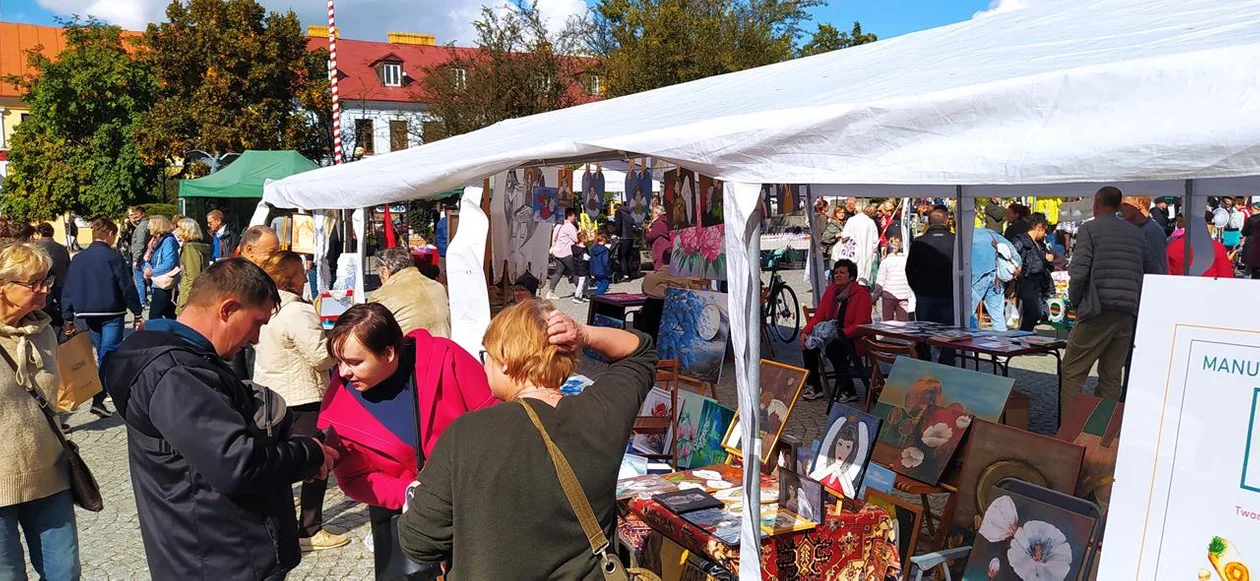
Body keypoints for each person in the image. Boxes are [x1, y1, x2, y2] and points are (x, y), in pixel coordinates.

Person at [102, 258, 337, 579]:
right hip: (221, 558)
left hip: (213, 550)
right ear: (227, 309)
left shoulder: (182, 361)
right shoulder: (176, 373)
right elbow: (237, 465)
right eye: (256, 323)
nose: (256, 339)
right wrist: (309, 454)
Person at [397, 302, 656, 578]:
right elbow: (641, 352)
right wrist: (583, 334)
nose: (484, 365)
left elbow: (418, 541)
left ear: (505, 358)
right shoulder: (602, 412)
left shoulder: (467, 433)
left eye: (486, 354)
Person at [317, 303, 496, 579]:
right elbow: (354, 479)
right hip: (408, 520)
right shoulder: (339, 410)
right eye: (338, 362)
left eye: (354, 362)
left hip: (476, 506)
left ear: (389, 353)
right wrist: (410, 493)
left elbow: (493, 418)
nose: (343, 373)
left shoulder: (444, 357)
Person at [254, 252, 348, 552]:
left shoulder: (267, 305)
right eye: (300, 273)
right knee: (316, 459)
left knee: (279, 463)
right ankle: (309, 528)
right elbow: (320, 356)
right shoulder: (297, 311)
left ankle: (279, 528)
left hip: (272, 394)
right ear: (289, 277)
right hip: (302, 395)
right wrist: (341, 344)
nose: (305, 278)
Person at [0, 242, 81, 581]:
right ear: (2, 286)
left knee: (65, 573)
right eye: (33, 283)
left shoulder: (44, 331)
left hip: (50, 473)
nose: (45, 289)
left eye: (46, 280)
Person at [1062, 186, 1160, 412]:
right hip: (1126, 311)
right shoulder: (1137, 233)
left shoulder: (1090, 229)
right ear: (1117, 206)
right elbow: (1152, 271)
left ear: (1096, 204)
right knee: (1111, 374)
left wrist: (1075, 301)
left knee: (1073, 371)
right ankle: (1101, 432)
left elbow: (1079, 272)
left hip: (1097, 307)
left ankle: (1071, 432)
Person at [62, 219, 144, 418]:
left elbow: (69, 288)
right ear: (110, 234)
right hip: (111, 311)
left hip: (86, 312)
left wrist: (68, 315)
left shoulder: (78, 259)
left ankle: (100, 391)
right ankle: (99, 396)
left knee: (102, 352)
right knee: (110, 352)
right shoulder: (113, 257)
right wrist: (138, 311)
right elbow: (126, 286)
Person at [799, 260, 873, 403]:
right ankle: (815, 386)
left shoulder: (861, 294)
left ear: (851, 277)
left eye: (842, 273)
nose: (838, 275)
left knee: (834, 349)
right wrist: (805, 332)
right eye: (836, 272)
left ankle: (848, 389)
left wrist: (841, 334)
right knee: (808, 345)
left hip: (854, 336)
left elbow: (862, 323)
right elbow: (820, 316)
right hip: (831, 333)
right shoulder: (831, 291)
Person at [906, 209, 956, 364]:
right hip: (949, 295)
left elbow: (909, 269)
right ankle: (947, 365)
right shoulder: (956, 241)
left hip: (925, 295)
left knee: (924, 335)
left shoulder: (919, 242)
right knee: (949, 336)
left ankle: (925, 365)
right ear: (946, 221)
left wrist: (918, 290)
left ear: (929, 222)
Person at [369, 247, 451, 338]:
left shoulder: (381, 296)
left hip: (412, 350)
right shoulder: (438, 287)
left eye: (379, 275)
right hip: (444, 348)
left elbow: (374, 338)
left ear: (384, 271)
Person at [1010, 215, 1052, 331]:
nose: (1045, 234)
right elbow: (1012, 258)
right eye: (1045, 230)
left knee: (1035, 313)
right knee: (1034, 312)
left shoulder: (1040, 244)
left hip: (1038, 284)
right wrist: (1013, 281)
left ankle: (1024, 336)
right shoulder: (1020, 240)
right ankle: (1022, 335)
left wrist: (1047, 257)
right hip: (1026, 282)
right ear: (1039, 227)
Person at [972, 225, 1017, 331]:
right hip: (996, 277)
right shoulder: (992, 234)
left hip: (976, 277)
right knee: (997, 315)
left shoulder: (966, 236)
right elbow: (1013, 253)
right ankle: (1001, 343)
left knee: (968, 313)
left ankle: (973, 342)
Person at [638, 252, 693, 338]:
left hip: (650, 315)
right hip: (674, 318)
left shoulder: (649, 277)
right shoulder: (684, 279)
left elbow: (644, 292)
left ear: (663, 260)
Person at [1166, 214, 1236, 277]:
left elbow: (1166, 274)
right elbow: (1226, 276)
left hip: (1179, 288)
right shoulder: (1217, 247)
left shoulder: (1172, 245)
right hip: (1209, 288)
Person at [142, 215, 180, 320]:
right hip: (156, 280)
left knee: (155, 314)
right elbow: (148, 258)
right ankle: (171, 334)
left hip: (164, 283)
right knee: (169, 313)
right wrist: (147, 267)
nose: (148, 227)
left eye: (150, 225)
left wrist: (152, 272)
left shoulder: (168, 241)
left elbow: (169, 262)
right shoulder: (154, 240)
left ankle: (158, 335)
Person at [833, 201, 880, 285]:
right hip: (866, 252)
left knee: (851, 277)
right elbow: (875, 240)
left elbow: (845, 235)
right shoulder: (870, 222)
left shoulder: (851, 220)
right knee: (863, 279)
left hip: (852, 252)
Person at [34, 223, 70, 330]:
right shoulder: (61, 248)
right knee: (63, 307)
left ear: (40, 234)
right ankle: (66, 326)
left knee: (45, 308)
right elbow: (68, 265)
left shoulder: (35, 248)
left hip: (43, 284)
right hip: (61, 282)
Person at [1120, 197, 1169, 275]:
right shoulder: (1134, 228)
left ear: (1140, 204)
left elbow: (1157, 267)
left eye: (1125, 204)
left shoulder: (1152, 231)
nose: (1120, 208)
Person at [174, 218, 213, 315]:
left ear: (185, 230)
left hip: (190, 294)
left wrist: (183, 301)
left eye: (179, 227)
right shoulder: (197, 246)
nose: (176, 230)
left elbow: (192, 275)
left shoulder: (190, 248)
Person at [873, 235, 913, 322]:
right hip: (903, 295)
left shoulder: (886, 262)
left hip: (889, 294)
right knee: (903, 321)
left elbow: (880, 281)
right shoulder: (906, 260)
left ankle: (888, 336)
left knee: (888, 321)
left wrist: (875, 297)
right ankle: (902, 335)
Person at [546, 209, 580, 300]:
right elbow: (576, 239)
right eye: (574, 215)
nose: (575, 218)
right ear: (570, 215)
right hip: (567, 251)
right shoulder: (569, 226)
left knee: (558, 272)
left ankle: (551, 291)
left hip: (557, 251)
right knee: (576, 271)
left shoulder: (559, 225)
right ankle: (580, 292)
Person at [127, 206, 151, 309]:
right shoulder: (144, 224)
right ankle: (144, 300)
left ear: (142, 214)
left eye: (137, 214)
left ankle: (141, 301)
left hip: (140, 257)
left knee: (140, 280)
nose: (135, 216)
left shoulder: (142, 226)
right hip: (144, 255)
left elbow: (140, 243)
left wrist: (136, 259)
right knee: (147, 279)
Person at [615, 202, 638, 281]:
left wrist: (617, 234)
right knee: (629, 256)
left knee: (622, 256)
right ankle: (630, 273)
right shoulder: (628, 214)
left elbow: (618, 225)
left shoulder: (619, 212)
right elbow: (634, 225)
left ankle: (625, 274)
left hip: (623, 237)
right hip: (630, 237)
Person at [646, 206, 671, 271]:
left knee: (660, 268)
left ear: (657, 213)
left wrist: (648, 230)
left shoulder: (659, 223)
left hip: (660, 248)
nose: (652, 215)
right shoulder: (664, 221)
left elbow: (650, 236)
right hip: (665, 247)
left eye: (653, 213)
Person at [571, 231, 591, 303]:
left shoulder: (575, 247)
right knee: (582, 282)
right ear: (583, 239)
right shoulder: (582, 249)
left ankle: (584, 294)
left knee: (586, 280)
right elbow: (586, 258)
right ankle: (577, 296)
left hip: (578, 266)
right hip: (582, 267)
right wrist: (592, 258)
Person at [1242, 200, 1260, 278]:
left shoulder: (1251, 219)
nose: (1251, 211)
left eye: (1252, 210)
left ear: (1257, 209)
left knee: (1249, 267)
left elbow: (1244, 232)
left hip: (1252, 243)